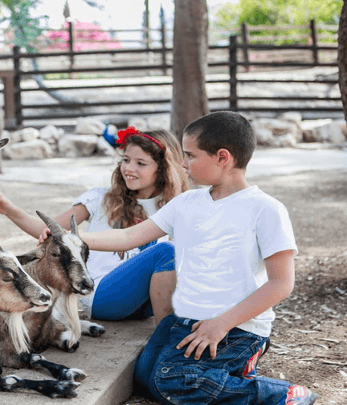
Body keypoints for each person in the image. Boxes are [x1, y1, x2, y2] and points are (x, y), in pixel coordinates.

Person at [40, 111, 315, 404]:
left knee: (170, 381)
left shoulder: (266, 209)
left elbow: (281, 284)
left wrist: (220, 324)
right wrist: (72, 240)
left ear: (223, 157)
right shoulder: (187, 203)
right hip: (186, 320)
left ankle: (279, 395)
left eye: (190, 155)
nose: (182, 164)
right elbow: (127, 237)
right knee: (146, 378)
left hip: (236, 327)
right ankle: (229, 373)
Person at [0, 127, 189, 323]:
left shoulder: (172, 207)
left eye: (141, 163)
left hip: (143, 303)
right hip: (100, 293)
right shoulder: (100, 198)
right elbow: (51, 231)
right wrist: (9, 209)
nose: (129, 168)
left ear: (163, 169)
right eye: (126, 160)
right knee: (164, 251)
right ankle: (166, 338)